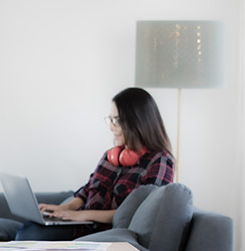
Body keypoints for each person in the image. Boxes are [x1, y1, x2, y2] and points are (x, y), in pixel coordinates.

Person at [15, 87, 175, 241]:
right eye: (111, 120)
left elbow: (138, 212)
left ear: (138, 122)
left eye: (117, 121)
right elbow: (87, 191)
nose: (111, 127)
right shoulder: (111, 156)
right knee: (29, 229)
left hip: (102, 232)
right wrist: (65, 209)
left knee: (30, 235)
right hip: (81, 223)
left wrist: (81, 215)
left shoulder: (160, 161)